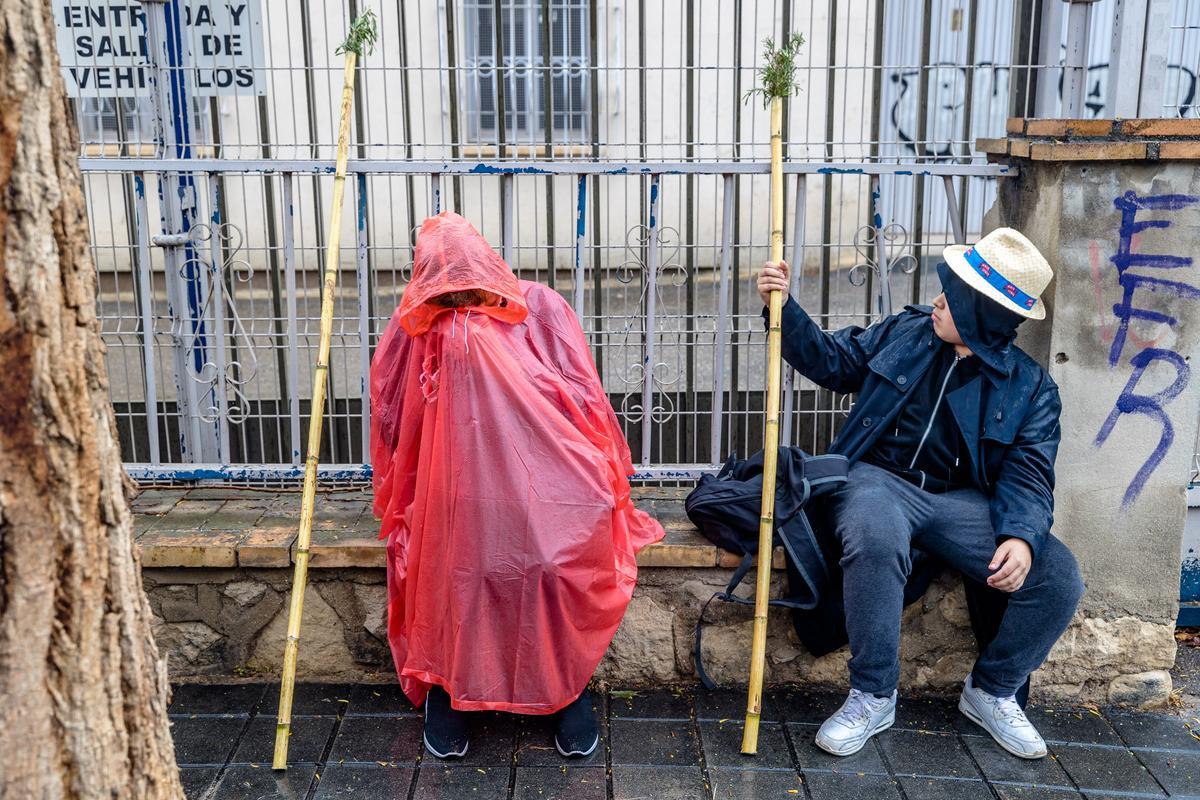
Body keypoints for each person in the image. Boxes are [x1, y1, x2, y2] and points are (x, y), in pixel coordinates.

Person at [756, 228, 1084, 760]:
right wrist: (784, 306)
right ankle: (873, 695)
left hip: (962, 503)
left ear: (981, 314)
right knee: (875, 533)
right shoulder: (906, 331)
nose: (937, 299)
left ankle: (992, 691)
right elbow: (834, 361)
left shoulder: (1032, 388)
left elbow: (1029, 472)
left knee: (1059, 575)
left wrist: (1022, 537)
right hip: (879, 480)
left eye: (953, 295)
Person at [371, 211, 664, 760]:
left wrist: (597, 461)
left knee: (552, 565)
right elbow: (390, 410)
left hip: (540, 475)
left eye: (465, 287)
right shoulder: (414, 324)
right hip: (450, 487)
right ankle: (449, 687)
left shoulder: (538, 307)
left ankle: (562, 688)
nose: (458, 301)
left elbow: (581, 388)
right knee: (456, 572)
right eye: (445, 291)